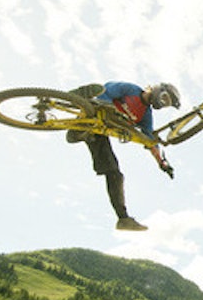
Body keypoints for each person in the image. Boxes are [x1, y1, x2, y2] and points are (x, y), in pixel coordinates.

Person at [66, 81, 180, 231]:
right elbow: (106, 91)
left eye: (166, 104)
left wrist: (162, 162)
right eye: (165, 98)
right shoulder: (131, 89)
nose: (163, 103)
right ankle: (72, 97)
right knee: (98, 92)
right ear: (158, 90)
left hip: (98, 132)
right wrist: (109, 108)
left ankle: (123, 219)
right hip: (95, 111)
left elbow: (150, 140)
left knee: (115, 174)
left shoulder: (146, 115)